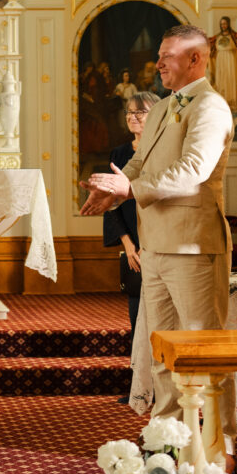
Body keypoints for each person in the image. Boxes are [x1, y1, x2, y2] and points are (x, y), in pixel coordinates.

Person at [79, 25, 236, 474]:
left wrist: (131, 187)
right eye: (160, 55)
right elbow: (139, 162)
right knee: (162, 350)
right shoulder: (165, 105)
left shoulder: (209, 106)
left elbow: (193, 170)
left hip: (193, 245)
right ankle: (167, 438)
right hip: (157, 246)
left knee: (206, 350)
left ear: (197, 60)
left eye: (169, 56)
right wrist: (114, 190)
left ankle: (220, 441)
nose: (159, 63)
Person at [102, 91, 160, 405]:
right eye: (129, 112)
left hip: (159, 242)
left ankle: (162, 385)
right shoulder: (119, 152)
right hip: (133, 248)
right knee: (137, 318)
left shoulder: (163, 150)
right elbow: (112, 205)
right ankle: (139, 384)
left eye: (141, 112)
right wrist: (128, 246)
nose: (133, 117)